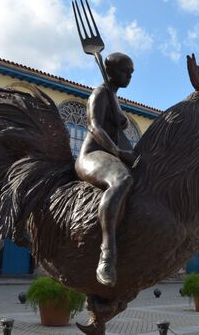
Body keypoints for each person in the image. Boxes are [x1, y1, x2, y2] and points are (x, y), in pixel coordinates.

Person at [75, 52, 136, 287]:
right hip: (91, 155)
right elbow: (94, 128)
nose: (129, 76)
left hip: (109, 154)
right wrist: (119, 154)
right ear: (110, 71)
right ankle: (107, 254)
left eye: (131, 72)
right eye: (124, 71)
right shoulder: (100, 93)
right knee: (121, 180)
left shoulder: (114, 97)